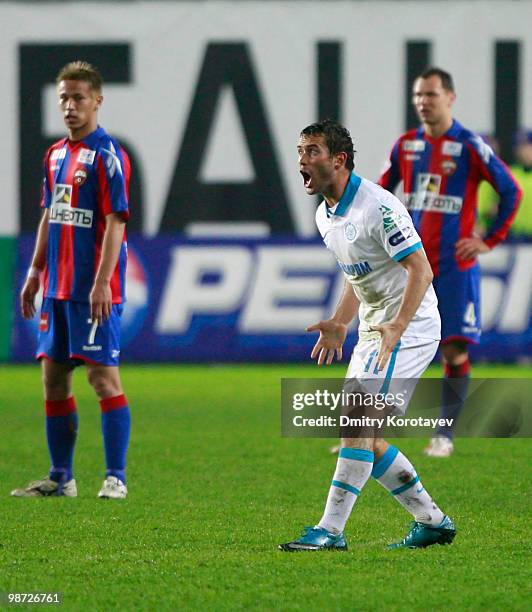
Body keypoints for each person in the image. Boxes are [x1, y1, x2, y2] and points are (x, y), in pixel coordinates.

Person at [279, 119, 455, 551]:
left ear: (339, 160)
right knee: (365, 436)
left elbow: (421, 269)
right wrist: (341, 321)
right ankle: (432, 521)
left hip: (406, 326)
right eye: (301, 150)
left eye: (312, 151)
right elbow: (357, 275)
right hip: (376, 327)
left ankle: (331, 531)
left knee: (355, 423)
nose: (302, 159)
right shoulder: (326, 214)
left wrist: (396, 325)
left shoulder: (378, 207)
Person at [379, 68, 522, 457]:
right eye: (418, 95)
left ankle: (444, 435)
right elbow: (378, 194)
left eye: (431, 94)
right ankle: (370, 430)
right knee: (394, 340)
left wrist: (487, 239)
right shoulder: (406, 146)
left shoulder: (470, 145)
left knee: (453, 351)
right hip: (412, 266)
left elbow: (511, 191)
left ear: (450, 98)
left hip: (455, 266)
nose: (423, 102)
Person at [11, 61, 132, 499]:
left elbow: (116, 221)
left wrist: (102, 282)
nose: (69, 106)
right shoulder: (55, 154)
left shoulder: (108, 156)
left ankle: (115, 476)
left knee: (103, 380)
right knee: (53, 380)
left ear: (97, 101)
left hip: (93, 292)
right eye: (63, 97)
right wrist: (34, 270)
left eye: (78, 97)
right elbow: (51, 213)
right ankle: (61, 477)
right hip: (57, 290)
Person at [479, 130, 532, 238]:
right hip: (512, 236)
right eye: (520, 147)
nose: (524, 151)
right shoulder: (509, 173)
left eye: (528, 146)